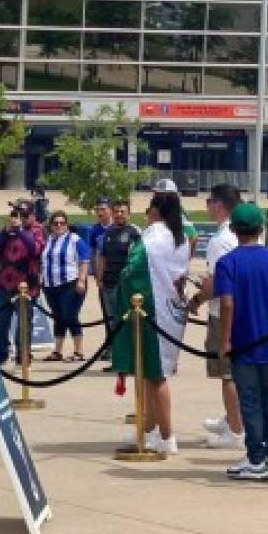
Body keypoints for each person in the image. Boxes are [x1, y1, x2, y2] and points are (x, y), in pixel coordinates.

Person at [111, 190, 192, 455]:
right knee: (150, 372)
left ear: (155, 210)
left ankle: (167, 435)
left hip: (152, 309)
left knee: (156, 375)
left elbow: (132, 270)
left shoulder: (153, 237)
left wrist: (123, 293)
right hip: (170, 310)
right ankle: (149, 428)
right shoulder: (180, 237)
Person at [216, 203, 268, 480]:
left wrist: (225, 340)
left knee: (249, 398)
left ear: (234, 230)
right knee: (267, 393)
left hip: (244, 339)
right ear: (260, 229)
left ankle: (256, 457)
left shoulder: (227, 263)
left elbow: (227, 303)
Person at [188, 183, 245, 449]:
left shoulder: (220, 240)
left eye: (209, 201)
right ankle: (233, 417)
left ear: (219, 205)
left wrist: (196, 299)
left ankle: (235, 431)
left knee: (227, 373)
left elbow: (216, 282)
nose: (207, 206)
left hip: (223, 311)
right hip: (242, 308)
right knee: (238, 371)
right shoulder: (242, 232)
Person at [0, 208, 40, 366]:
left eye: (24, 216)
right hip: (3, 285)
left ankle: (23, 357)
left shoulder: (36, 231)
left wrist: (20, 231)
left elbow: (35, 250)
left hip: (26, 286)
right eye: (15, 216)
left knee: (24, 324)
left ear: (32, 216)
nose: (19, 218)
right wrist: (6, 231)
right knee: (1, 323)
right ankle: (1, 355)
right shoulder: (6, 233)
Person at [40, 210, 91, 362]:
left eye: (62, 223)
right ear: (51, 225)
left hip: (70, 283)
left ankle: (78, 351)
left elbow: (84, 260)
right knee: (58, 317)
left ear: (67, 225)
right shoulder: (49, 240)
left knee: (70, 316)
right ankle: (57, 351)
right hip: (50, 285)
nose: (59, 226)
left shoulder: (74, 239)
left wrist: (81, 280)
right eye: (55, 223)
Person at [98, 198, 141, 372]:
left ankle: (129, 361)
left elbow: (138, 260)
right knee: (112, 324)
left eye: (123, 211)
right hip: (108, 284)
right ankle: (117, 360)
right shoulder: (108, 233)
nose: (119, 214)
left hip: (124, 286)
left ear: (129, 213)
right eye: (116, 211)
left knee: (124, 324)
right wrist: (100, 278)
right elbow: (102, 256)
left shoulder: (134, 233)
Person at [154, 178, 198, 253]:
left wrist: (186, 255)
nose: (158, 198)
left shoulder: (178, 215)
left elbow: (193, 236)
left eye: (162, 195)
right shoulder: (155, 212)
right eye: (157, 195)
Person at [88, 198, 114, 295]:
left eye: (103, 209)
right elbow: (93, 252)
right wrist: (96, 274)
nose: (99, 213)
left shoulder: (118, 227)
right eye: (97, 210)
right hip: (103, 275)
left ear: (110, 210)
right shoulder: (94, 229)